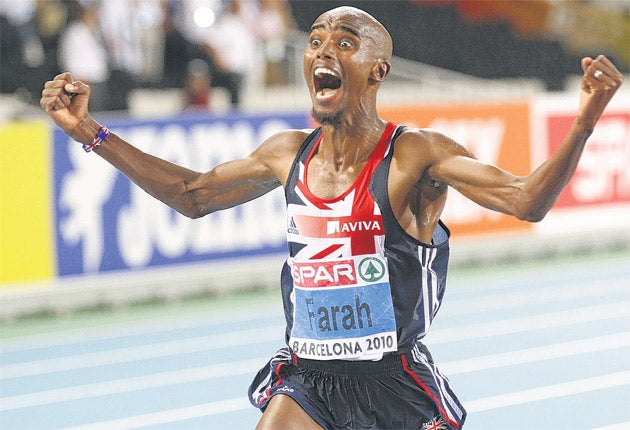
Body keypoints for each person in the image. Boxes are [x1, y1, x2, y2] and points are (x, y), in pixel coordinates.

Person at [40, 6, 622, 429]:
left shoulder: (414, 155)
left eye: (344, 43)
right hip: (308, 380)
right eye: (315, 40)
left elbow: (525, 200)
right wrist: (90, 131)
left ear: (378, 71)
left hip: (394, 384)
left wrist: (584, 123)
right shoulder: (286, 153)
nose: (322, 51)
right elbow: (192, 194)